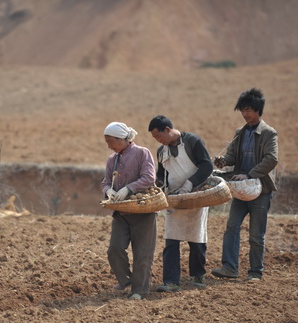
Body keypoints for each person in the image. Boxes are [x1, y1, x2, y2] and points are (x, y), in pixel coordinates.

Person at [212, 88, 278, 281]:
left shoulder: (269, 133)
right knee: (232, 227)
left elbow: (272, 159)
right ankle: (229, 268)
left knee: (256, 234)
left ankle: (255, 272)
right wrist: (223, 161)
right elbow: (232, 156)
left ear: (258, 110)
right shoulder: (239, 132)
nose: (245, 114)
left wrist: (249, 174)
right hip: (241, 190)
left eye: (248, 109)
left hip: (260, 190)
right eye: (242, 110)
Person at [148, 115, 213, 292]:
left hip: (196, 195)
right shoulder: (162, 151)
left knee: (196, 238)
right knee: (171, 239)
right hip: (174, 199)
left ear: (167, 130)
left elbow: (207, 166)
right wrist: (160, 185)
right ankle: (171, 281)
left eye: (159, 136)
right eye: (155, 138)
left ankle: (198, 275)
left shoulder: (193, 142)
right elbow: (161, 173)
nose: (158, 140)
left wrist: (190, 183)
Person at [101, 121, 157, 300]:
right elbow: (105, 181)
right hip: (121, 213)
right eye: (107, 141)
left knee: (142, 252)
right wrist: (108, 190)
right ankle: (126, 282)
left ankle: (140, 290)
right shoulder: (112, 159)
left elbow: (149, 177)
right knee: (114, 249)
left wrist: (128, 189)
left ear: (121, 139)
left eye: (110, 141)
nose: (108, 145)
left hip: (142, 211)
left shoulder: (142, 153)